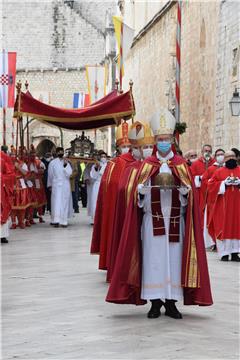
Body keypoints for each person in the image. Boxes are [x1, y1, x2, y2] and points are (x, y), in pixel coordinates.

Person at [106, 108, 213, 319]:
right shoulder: (147, 165)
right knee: (153, 261)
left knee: (173, 261)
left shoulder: (182, 165)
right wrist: (141, 192)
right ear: (155, 140)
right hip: (151, 221)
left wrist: (185, 193)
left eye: (167, 139)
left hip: (175, 221)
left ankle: (172, 302)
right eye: (160, 139)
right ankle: (155, 302)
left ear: (172, 140)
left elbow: (190, 199)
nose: (163, 142)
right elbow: (135, 198)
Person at [106, 121, 155, 283]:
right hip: (133, 214)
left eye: (149, 146)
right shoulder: (128, 168)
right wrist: (137, 194)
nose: (145, 150)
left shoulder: (159, 166)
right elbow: (120, 190)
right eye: (142, 147)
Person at [91, 121, 136, 271]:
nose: (127, 149)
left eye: (129, 146)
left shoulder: (140, 163)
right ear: (118, 147)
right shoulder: (113, 164)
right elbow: (107, 189)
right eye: (124, 147)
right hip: (116, 208)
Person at [208, 150, 240, 261]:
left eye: (232, 156)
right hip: (223, 206)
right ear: (225, 159)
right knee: (223, 226)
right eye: (228, 157)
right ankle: (224, 253)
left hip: (237, 205)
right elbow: (210, 185)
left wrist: (239, 183)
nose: (230, 159)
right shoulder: (219, 171)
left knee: (237, 226)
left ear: (236, 158)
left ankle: (235, 252)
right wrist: (223, 183)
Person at [201, 148, 225, 248]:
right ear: (215, 157)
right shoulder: (211, 169)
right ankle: (214, 242)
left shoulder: (227, 168)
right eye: (218, 154)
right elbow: (204, 181)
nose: (220, 156)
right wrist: (212, 183)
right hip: (213, 200)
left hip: (225, 199)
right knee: (214, 221)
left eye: (222, 154)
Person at [47, 147, 73, 227]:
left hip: (65, 184)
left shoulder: (67, 162)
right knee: (56, 202)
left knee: (64, 202)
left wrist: (65, 165)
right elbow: (50, 175)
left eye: (62, 151)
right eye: (59, 152)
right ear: (57, 153)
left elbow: (69, 173)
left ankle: (64, 221)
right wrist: (50, 184)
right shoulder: (52, 163)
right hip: (56, 185)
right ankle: (56, 220)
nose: (61, 153)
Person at [89, 151, 108, 223]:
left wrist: (101, 168)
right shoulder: (95, 165)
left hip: (105, 185)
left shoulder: (109, 165)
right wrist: (96, 168)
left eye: (104, 157)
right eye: (102, 157)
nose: (103, 158)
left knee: (104, 202)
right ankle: (95, 219)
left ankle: (103, 219)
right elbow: (93, 176)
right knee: (95, 201)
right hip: (97, 184)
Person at [1, 150, 15, 243]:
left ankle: (2, 235)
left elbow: (11, 174)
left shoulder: (4, 157)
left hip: (2, 188)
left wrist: (2, 178)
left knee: (2, 209)